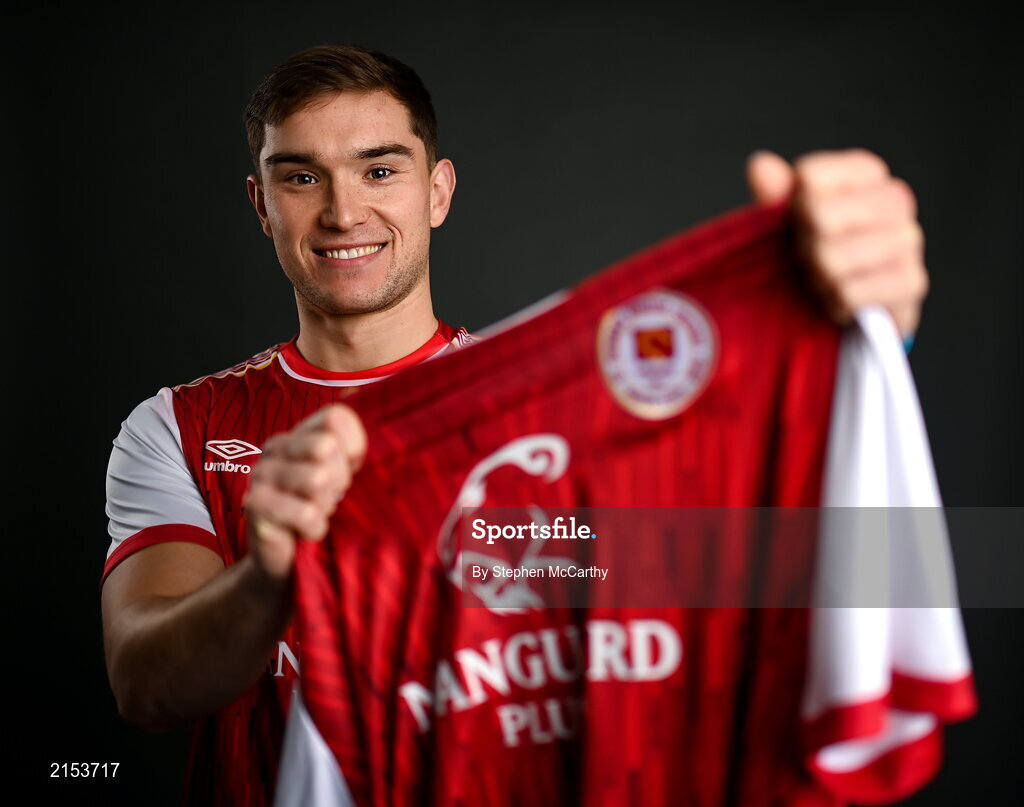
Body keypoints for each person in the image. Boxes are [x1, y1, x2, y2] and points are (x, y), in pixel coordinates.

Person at [101, 45, 929, 806]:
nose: (343, 211)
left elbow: (723, 567)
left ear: (438, 191)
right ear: (260, 203)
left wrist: (844, 333)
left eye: (379, 170)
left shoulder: (539, 415)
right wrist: (274, 576)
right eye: (301, 177)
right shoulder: (179, 424)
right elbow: (145, 684)